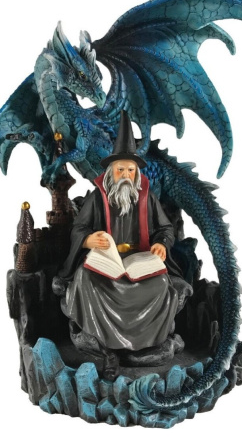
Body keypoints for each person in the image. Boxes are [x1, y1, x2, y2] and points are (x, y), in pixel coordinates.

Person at [57, 111, 191, 379]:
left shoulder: (146, 197)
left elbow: (165, 228)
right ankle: (105, 347)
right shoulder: (98, 197)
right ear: (111, 171)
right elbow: (79, 228)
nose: (126, 175)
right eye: (121, 170)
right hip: (106, 265)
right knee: (85, 280)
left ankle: (145, 345)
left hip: (139, 263)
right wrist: (88, 239)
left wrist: (161, 244)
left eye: (131, 170)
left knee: (160, 284)